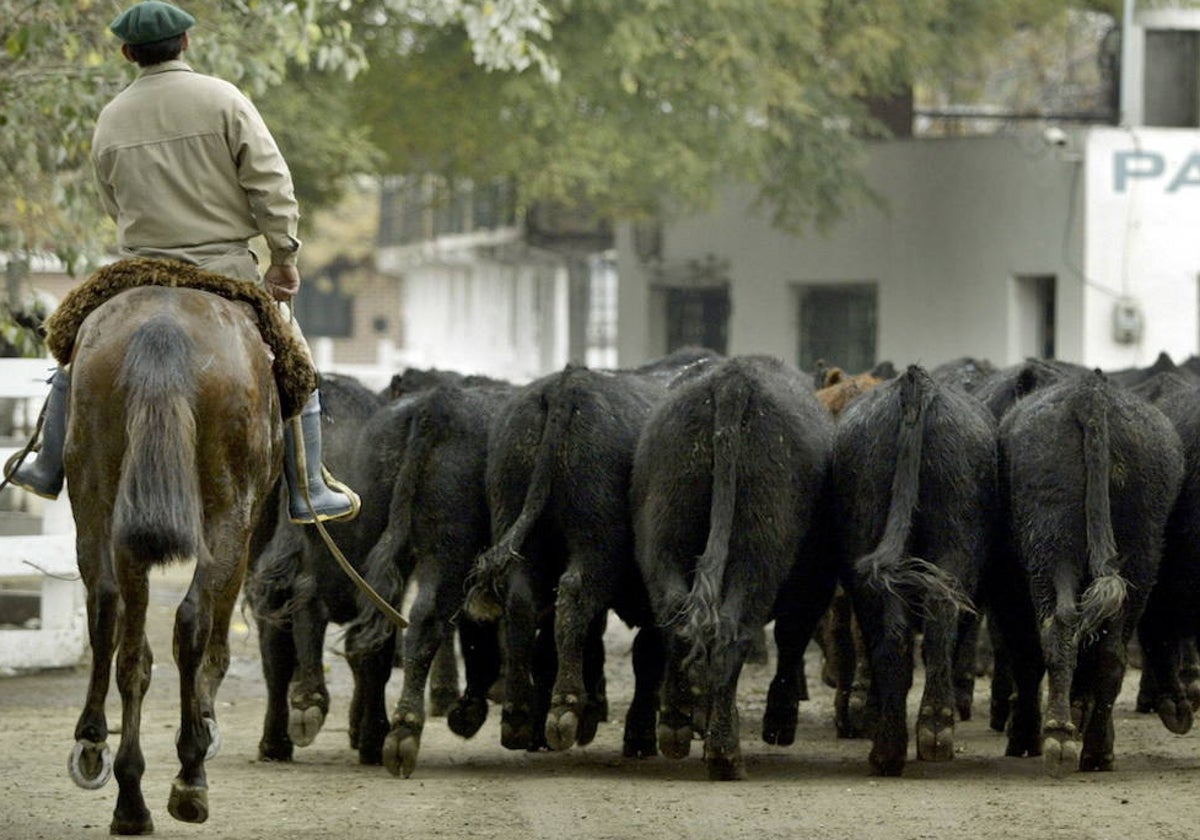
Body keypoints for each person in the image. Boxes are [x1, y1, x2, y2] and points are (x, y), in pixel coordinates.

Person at [8, 0, 359, 524]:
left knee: (75, 350)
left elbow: (113, 202)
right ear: (186, 43)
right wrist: (283, 256)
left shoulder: (111, 115)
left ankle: (46, 465)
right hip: (225, 271)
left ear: (128, 53)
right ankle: (308, 488)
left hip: (138, 271)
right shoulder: (224, 99)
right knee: (296, 364)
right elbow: (271, 184)